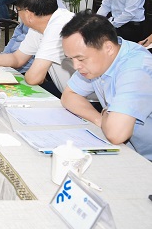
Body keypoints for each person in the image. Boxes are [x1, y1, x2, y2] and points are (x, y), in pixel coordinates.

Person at [60, 11, 152, 161]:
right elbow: (68, 95)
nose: (76, 66)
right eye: (71, 59)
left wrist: (106, 116)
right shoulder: (100, 62)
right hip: (130, 150)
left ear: (108, 47)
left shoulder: (136, 69)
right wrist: (100, 119)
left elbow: (116, 134)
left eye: (80, 59)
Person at [2, 0, 65, 73]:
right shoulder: (32, 5)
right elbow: (17, 34)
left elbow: (32, 63)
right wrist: (3, 57)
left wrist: (7, 67)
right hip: (14, 63)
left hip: (29, 69)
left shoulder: (53, 15)